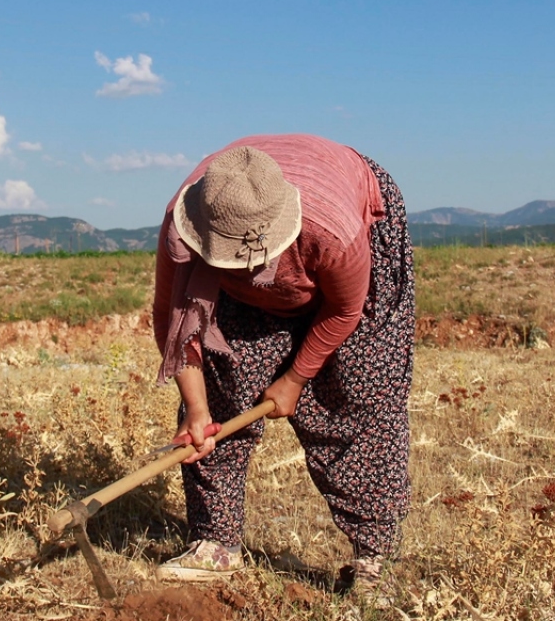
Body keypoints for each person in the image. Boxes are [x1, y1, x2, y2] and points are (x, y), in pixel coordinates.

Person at [151, 134, 416, 590]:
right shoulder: (186, 219)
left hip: (346, 228)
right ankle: (216, 541)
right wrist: (198, 412)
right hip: (265, 243)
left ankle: (373, 558)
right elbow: (177, 325)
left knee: (360, 392)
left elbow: (345, 310)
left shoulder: (333, 230)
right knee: (222, 383)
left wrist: (295, 378)